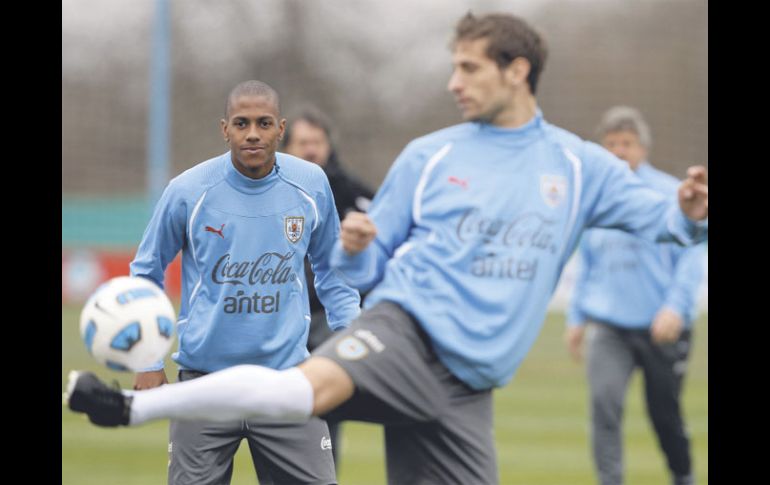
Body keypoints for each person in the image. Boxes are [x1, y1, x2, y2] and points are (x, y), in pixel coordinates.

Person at [66, 13, 708, 484]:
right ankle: (129, 406)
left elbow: (666, 221)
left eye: (469, 68)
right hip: (406, 332)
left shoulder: (580, 165)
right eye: (453, 66)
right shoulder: (430, 155)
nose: (454, 81)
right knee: (298, 392)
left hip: (470, 387)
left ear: (517, 71)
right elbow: (367, 266)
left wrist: (688, 211)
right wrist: (357, 248)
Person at [123, 80, 361, 484]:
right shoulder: (187, 191)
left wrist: (354, 350)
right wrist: (147, 359)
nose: (253, 133)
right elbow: (146, 272)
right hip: (204, 385)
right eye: (242, 123)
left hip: (287, 381)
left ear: (281, 128)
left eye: (264, 123)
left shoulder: (311, 184)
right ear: (225, 129)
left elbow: (334, 272)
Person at [564, 106, 706, 485]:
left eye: (626, 144)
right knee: (604, 407)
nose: (618, 152)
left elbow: (694, 252)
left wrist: (675, 308)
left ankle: (684, 477)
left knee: (664, 416)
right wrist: (577, 318)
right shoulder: (595, 199)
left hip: (661, 327)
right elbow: (588, 264)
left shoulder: (668, 193)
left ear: (643, 148)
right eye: (610, 144)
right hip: (610, 327)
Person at [281, 107, 374, 464]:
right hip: (280, 318)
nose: (311, 150)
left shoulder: (353, 194)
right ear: (286, 147)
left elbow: (384, 248)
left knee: (324, 413)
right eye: (303, 142)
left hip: (330, 321)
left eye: (317, 142)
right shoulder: (266, 191)